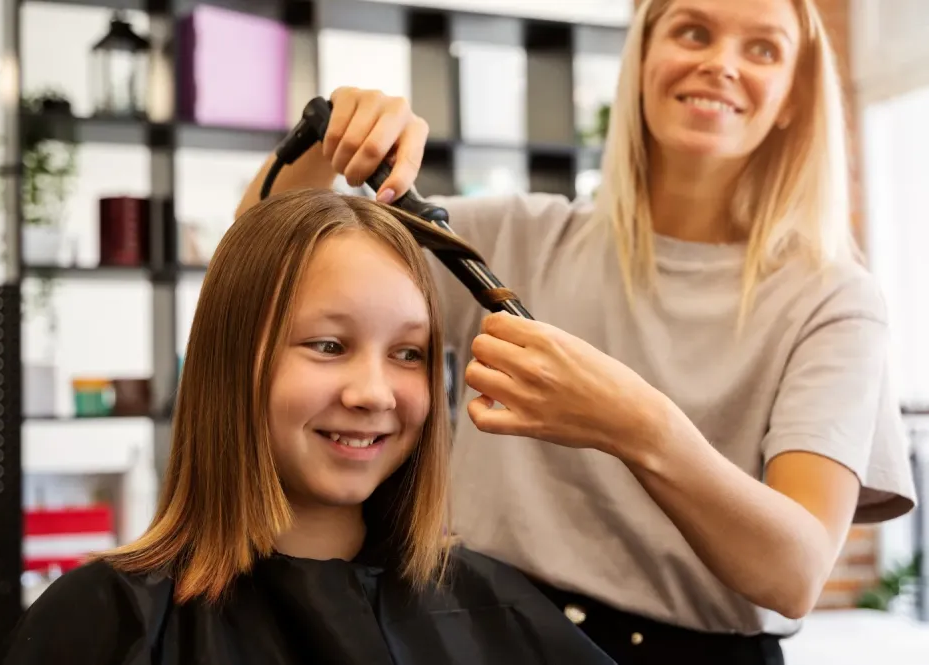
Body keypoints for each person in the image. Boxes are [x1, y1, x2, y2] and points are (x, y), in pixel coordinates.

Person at [235, 0, 919, 663]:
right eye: (692, 31)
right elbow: (256, 280)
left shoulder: (832, 299)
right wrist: (330, 142)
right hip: (471, 632)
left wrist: (639, 426)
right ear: (643, 59)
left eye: (762, 48)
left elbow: (794, 573)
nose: (721, 64)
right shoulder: (514, 237)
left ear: (795, 97)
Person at [0, 189, 617, 665]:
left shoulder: (490, 606)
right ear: (232, 364)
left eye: (408, 354)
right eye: (327, 345)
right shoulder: (107, 621)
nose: (373, 394)